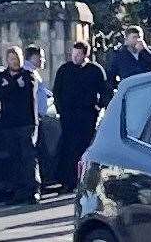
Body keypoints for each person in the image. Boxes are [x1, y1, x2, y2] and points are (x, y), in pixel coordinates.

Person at [53, 42, 108, 191]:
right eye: (73, 54)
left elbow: (105, 91)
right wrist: (61, 110)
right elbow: (56, 91)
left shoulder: (95, 70)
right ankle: (67, 181)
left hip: (87, 117)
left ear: (85, 55)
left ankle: (85, 181)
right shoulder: (64, 70)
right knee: (68, 149)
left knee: (83, 148)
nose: (75, 57)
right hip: (68, 117)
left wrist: (98, 106)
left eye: (78, 54)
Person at [0, 47, 41, 204]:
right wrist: (14, 85)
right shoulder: (2, 76)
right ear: (7, 60)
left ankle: (33, 190)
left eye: (17, 58)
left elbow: (27, 91)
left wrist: (10, 86)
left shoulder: (28, 75)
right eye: (12, 58)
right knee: (14, 158)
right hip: (9, 124)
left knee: (29, 158)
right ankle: (18, 191)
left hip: (26, 123)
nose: (15, 61)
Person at [24, 46, 53, 118]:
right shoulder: (26, 72)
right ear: (34, 57)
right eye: (42, 57)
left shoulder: (33, 71)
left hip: (37, 115)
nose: (44, 60)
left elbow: (39, 89)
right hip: (31, 116)